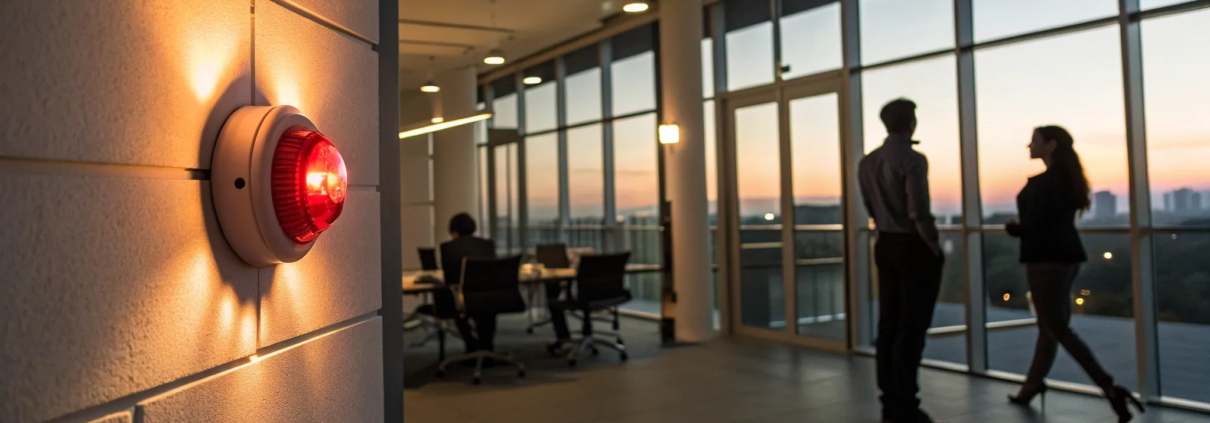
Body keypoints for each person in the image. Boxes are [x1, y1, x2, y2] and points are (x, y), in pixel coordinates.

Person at [1005, 126, 1144, 422]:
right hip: (1065, 258)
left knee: (1056, 327)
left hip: (1045, 261)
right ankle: (1032, 385)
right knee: (1050, 325)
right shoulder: (1067, 181)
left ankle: (1109, 387)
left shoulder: (1046, 184)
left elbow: (1036, 224)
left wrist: (1015, 228)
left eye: (1035, 141)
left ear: (1051, 145)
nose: (1029, 145)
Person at [858, 98, 944, 423]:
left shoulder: (866, 163)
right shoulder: (914, 159)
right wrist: (934, 246)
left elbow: (870, 206)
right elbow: (918, 211)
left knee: (889, 323)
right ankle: (907, 401)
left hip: (885, 244)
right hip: (912, 247)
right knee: (912, 325)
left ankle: (890, 397)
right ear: (911, 124)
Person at [437, 213, 498, 353]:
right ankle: (486, 347)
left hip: (464, 300)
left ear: (454, 232)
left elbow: (449, 280)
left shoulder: (448, 247)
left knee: (449, 299)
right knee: (488, 306)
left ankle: (471, 346)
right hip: (493, 297)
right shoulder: (487, 245)